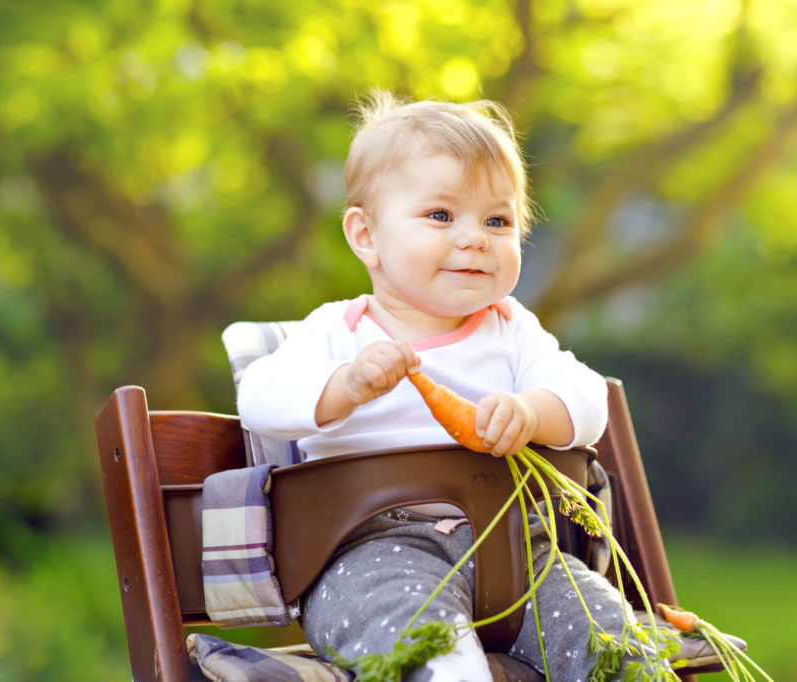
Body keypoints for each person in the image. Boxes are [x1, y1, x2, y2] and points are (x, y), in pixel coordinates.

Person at [237, 92, 669, 680]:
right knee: (430, 652)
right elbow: (257, 400)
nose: (475, 238)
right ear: (366, 236)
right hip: (368, 554)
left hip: (522, 555)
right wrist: (346, 386)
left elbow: (590, 400)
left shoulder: (512, 329)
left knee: (613, 644)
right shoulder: (339, 332)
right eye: (441, 216)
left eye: (498, 220)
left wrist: (533, 410)